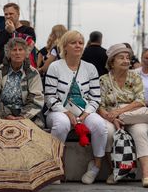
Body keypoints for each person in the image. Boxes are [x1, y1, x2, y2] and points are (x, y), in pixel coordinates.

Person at [44, 30, 107, 185]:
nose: (78, 45)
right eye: (73, 42)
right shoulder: (55, 67)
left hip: (83, 111)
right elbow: (49, 97)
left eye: (80, 42)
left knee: (100, 125)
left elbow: (95, 98)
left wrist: (86, 114)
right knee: (62, 124)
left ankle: (96, 166)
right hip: (58, 111)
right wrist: (66, 113)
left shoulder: (90, 68)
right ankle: (55, 166)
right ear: (65, 47)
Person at [98, 43, 148, 188]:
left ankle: (147, 176)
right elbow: (100, 106)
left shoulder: (135, 77)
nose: (126, 61)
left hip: (133, 114)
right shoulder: (104, 80)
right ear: (112, 62)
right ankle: (114, 172)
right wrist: (113, 117)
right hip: (110, 116)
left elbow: (140, 101)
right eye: (121, 58)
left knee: (141, 133)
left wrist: (120, 113)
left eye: (128, 58)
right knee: (108, 133)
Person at [0, 38, 44, 126]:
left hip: (28, 115)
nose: (17, 53)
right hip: (1, 113)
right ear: (8, 53)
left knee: (35, 133)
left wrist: (22, 116)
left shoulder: (33, 73)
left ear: (26, 53)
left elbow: (36, 99)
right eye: (14, 50)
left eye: (20, 50)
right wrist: (6, 115)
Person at [0, 3, 36, 75]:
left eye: (11, 14)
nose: (8, 16)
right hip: (3, 73)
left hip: (23, 73)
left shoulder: (29, 31)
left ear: (18, 14)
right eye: (6, 14)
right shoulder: (0, 33)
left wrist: (13, 32)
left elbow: (28, 49)